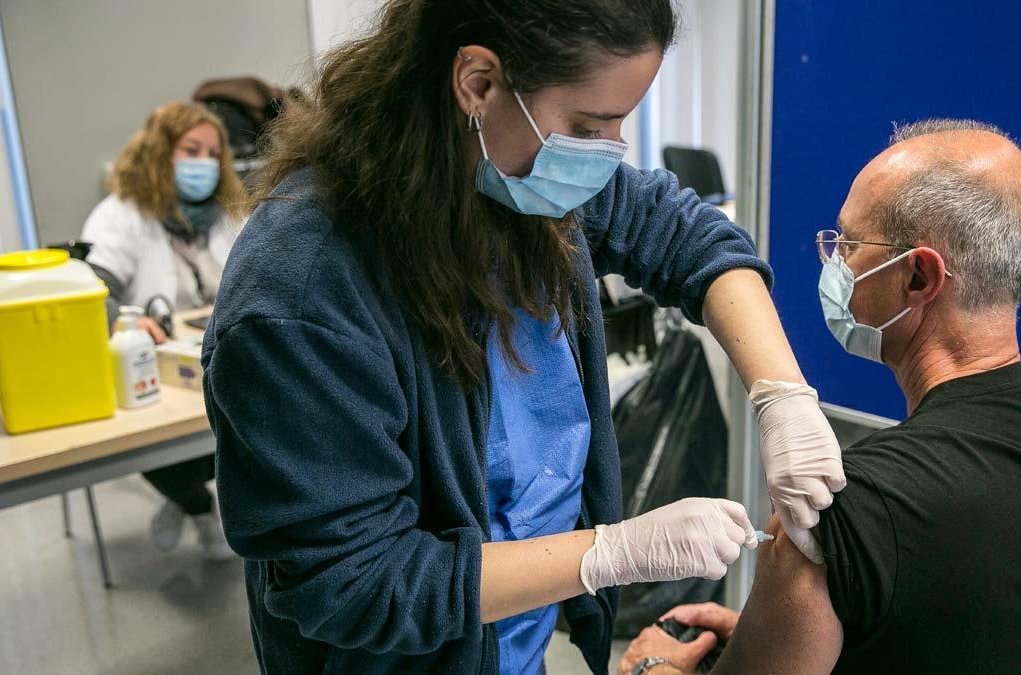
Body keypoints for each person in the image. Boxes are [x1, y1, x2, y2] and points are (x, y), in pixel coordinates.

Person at [201, 1, 846, 673]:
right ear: (477, 82)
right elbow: (355, 581)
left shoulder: (516, 176)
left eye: (620, 124)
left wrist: (783, 396)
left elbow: (684, 232)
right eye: (589, 126)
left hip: (510, 644)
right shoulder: (303, 296)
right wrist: (607, 553)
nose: (607, 155)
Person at [619, 119, 1021, 675]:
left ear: (917, 278)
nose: (834, 263)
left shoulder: (837, 512)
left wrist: (651, 669)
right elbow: (985, 625)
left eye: (849, 244)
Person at [82, 101, 244, 561]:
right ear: (159, 152)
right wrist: (121, 318)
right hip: (153, 362)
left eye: (213, 153)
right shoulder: (120, 215)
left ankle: (197, 503)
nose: (204, 164)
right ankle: (194, 503)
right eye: (191, 149)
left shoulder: (229, 212)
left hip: (222, 354)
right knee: (145, 438)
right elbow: (92, 288)